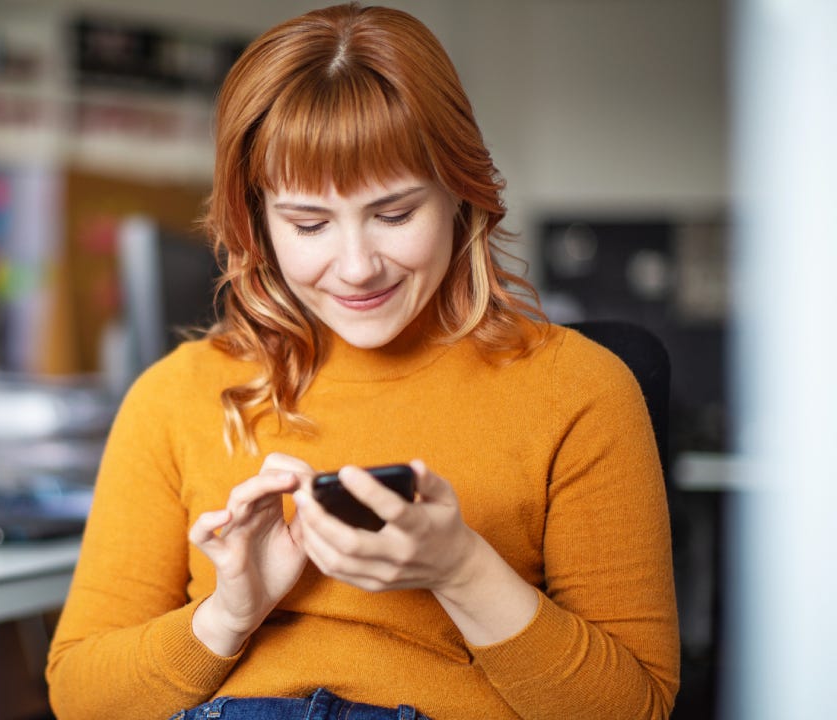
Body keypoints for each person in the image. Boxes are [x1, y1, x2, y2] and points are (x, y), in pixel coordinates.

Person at [45, 4, 680, 719]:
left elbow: (635, 708)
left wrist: (461, 570)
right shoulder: (174, 396)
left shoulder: (580, 390)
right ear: (258, 221)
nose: (355, 267)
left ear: (459, 192)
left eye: (396, 213)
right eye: (309, 223)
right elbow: (80, 698)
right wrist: (229, 613)